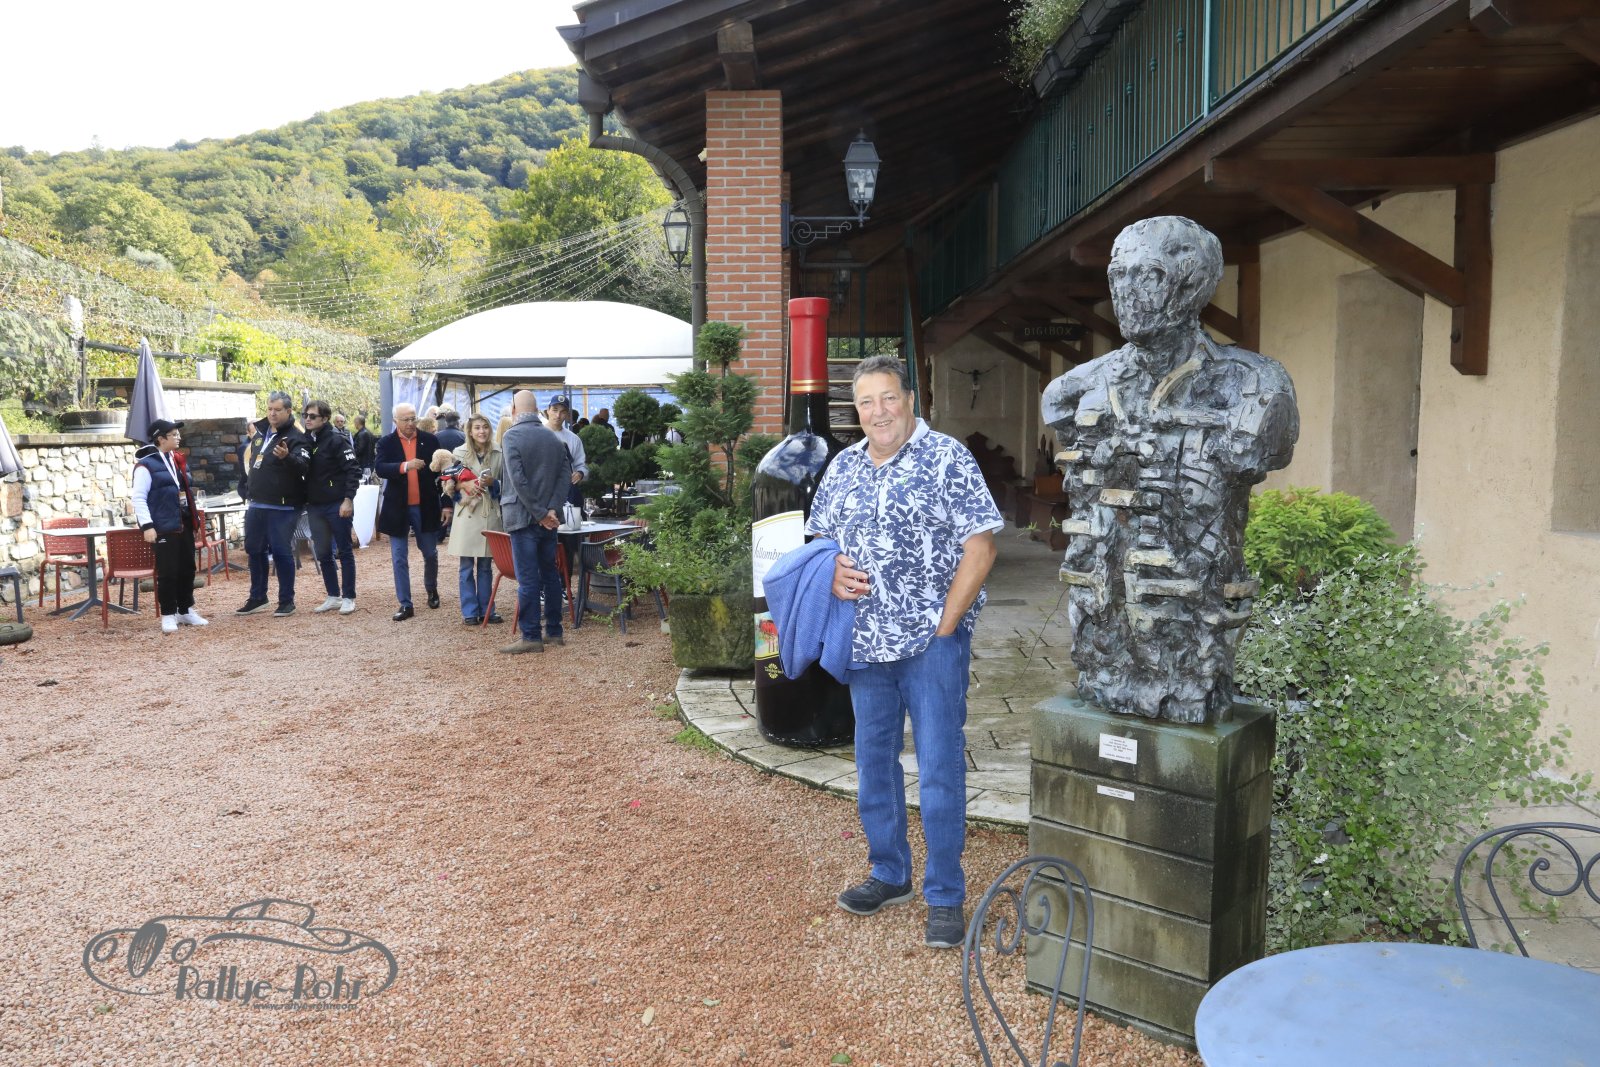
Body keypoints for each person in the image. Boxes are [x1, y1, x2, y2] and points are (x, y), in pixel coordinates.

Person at [806, 354, 1002, 950]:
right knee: (874, 764)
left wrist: (946, 626)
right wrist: (830, 572)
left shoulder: (946, 458)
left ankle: (945, 895)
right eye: (866, 402)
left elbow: (981, 547)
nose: (878, 412)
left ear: (910, 399)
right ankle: (890, 873)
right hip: (866, 644)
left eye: (888, 398)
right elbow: (819, 543)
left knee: (939, 769)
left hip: (931, 645)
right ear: (856, 411)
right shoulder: (843, 467)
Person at [498, 389, 571, 654]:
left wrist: (540, 513)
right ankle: (554, 631)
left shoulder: (511, 437)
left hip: (523, 518)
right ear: (539, 409)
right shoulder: (553, 438)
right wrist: (551, 509)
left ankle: (530, 636)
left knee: (528, 579)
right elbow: (566, 476)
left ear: (514, 410)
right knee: (550, 575)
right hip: (548, 520)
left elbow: (517, 480)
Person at [374, 403, 452, 622]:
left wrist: (447, 504)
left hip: (425, 506)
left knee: (430, 553)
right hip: (397, 507)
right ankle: (405, 603)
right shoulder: (386, 443)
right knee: (399, 557)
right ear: (395, 421)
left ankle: (431, 588)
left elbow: (444, 474)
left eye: (413, 418)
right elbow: (380, 468)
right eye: (405, 419)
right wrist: (405, 466)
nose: (410, 423)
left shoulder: (430, 440)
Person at [236, 391, 310, 617]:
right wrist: (246, 490)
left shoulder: (297, 437)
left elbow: (304, 467)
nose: (272, 413)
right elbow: (252, 465)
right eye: (269, 409)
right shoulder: (259, 434)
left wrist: (287, 457)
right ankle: (258, 597)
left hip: (284, 506)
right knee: (254, 549)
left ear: (288, 411)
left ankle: (287, 601)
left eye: (277, 410)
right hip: (257, 504)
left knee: (280, 551)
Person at [132, 418, 207, 634]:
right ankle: (168, 613)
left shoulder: (177, 459)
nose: (178, 437)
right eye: (174, 434)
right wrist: (147, 526)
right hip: (163, 527)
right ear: (160, 439)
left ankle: (185, 609)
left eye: (177, 434)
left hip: (183, 523)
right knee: (168, 572)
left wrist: (193, 520)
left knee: (187, 569)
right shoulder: (145, 465)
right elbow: (138, 498)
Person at [301, 399, 361, 616]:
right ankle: (333, 595)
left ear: (325, 418)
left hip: (336, 504)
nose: (308, 419)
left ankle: (349, 597)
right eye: (305, 415)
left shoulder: (337, 440)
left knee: (344, 551)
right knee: (323, 552)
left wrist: (348, 499)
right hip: (315, 506)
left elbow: (353, 470)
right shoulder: (307, 440)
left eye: (313, 416)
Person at [446, 413, 505, 626]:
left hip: (489, 512)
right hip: (467, 514)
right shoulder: (458, 453)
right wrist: (464, 485)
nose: (482, 431)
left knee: (486, 566)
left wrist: (493, 483)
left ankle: (487, 609)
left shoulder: (499, 452)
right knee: (466, 566)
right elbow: (447, 482)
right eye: (477, 427)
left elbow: (508, 483)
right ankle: (470, 611)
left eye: (485, 427)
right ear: (470, 432)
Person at [542, 394, 587, 513]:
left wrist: (580, 473)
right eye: (555, 410)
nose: (558, 415)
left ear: (567, 415)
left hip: (566, 495)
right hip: (542, 494)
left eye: (562, 412)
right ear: (548, 411)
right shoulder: (536, 435)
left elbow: (582, 465)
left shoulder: (574, 439)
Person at [351, 414, 377, 480]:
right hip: (370, 463)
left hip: (363, 465)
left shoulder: (362, 434)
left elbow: (359, 450)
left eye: (355, 422)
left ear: (357, 422)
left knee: (363, 482)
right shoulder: (369, 432)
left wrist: (351, 453)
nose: (354, 424)